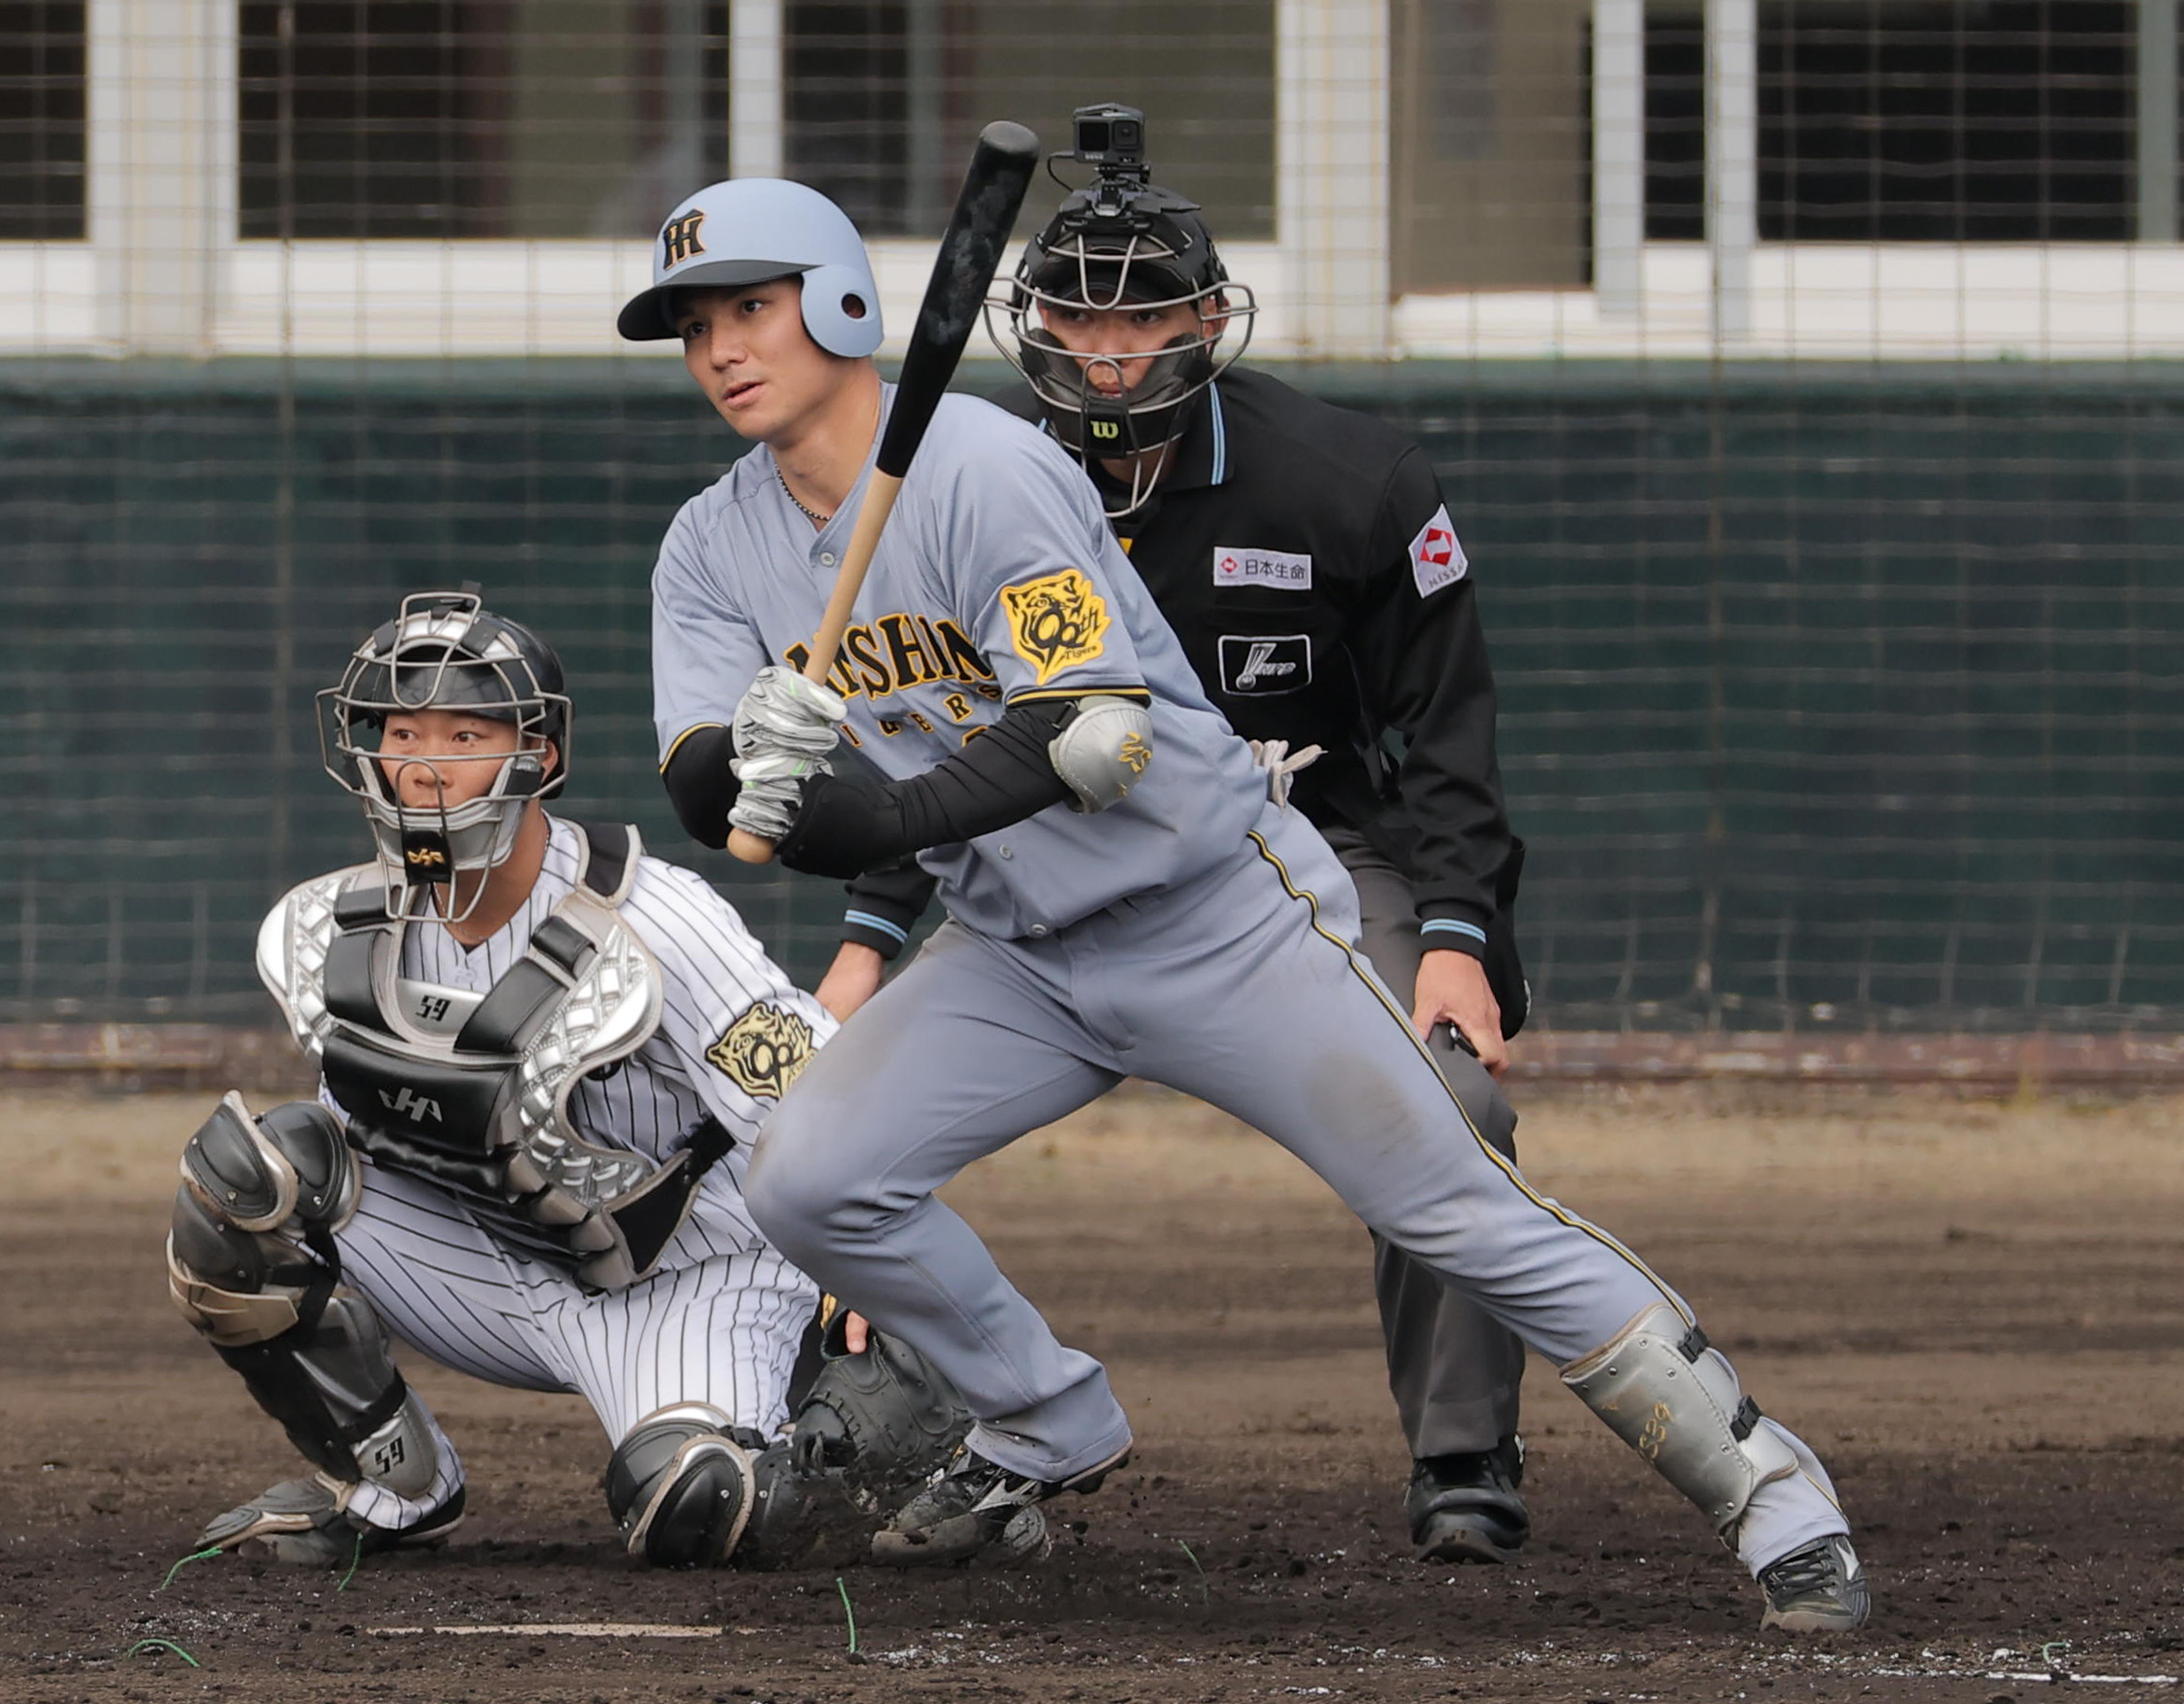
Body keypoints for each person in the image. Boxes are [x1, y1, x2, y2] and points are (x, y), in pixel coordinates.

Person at [628, 176, 1871, 1632]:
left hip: (1214, 911)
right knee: (808, 1179)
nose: (722, 347)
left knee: (1454, 1204)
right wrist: (750, 773)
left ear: (840, 306)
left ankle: (1774, 1490)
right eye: (697, 325)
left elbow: (1090, 730)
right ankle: (1039, 1418)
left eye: (752, 308)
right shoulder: (711, 545)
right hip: (1015, 956)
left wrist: (876, 814)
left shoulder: (984, 470)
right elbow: (703, 782)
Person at [819, 106, 1538, 1564]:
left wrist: (1459, 940)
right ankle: (869, 1416)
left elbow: (1445, 741)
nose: (1107, 354)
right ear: (1027, 329)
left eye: (1144, 316)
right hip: (1045, 882)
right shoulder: (966, 486)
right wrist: (862, 943)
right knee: (815, 1129)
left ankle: (1463, 1453)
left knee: (1458, 1111)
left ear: (1210, 317)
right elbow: (930, 733)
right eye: (1076, 322)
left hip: (1314, 859)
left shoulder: (1352, 485)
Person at [166, 588, 968, 1571]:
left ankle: (874, 1440)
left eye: (464, 732)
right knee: (244, 1181)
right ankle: (395, 1487)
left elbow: (820, 1111)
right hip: (490, 1265)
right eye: (401, 731)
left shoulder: (655, 916)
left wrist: (878, 1289)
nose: (422, 765)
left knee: (691, 1506)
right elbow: (361, 1136)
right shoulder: (351, 928)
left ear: (538, 755)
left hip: (690, 1279)